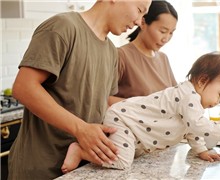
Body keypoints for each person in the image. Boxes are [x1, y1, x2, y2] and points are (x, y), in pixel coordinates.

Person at [8, 0, 152, 179]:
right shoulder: (62, 27)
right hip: (41, 169)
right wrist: (80, 129)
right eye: (139, 10)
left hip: (82, 169)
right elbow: (24, 88)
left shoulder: (111, 52)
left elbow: (101, 102)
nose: (139, 22)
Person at [61, 52, 220, 172]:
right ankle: (80, 151)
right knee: (122, 162)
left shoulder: (193, 103)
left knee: (128, 157)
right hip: (124, 120)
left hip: (133, 127)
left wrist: (201, 151)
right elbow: (198, 125)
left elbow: (192, 129)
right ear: (202, 81)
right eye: (219, 95)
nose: (218, 102)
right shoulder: (188, 96)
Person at [108, 0, 178, 105]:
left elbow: (175, 97)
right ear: (143, 23)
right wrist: (145, 107)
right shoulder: (121, 56)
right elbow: (103, 98)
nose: (166, 38)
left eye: (171, 33)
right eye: (163, 31)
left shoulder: (163, 58)